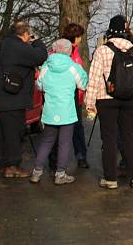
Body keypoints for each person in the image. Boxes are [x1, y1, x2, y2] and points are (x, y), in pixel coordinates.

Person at [85, 15, 133, 189]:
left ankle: (110, 179)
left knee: (109, 139)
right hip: (128, 100)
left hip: (107, 100)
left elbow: (94, 79)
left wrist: (90, 104)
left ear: (110, 30)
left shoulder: (102, 50)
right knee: (128, 138)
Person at [0, 20, 48, 178]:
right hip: (13, 97)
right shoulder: (20, 47)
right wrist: (38, 42)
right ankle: (12, 166)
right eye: (29, 35)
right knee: (13, 133)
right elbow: (40, 57)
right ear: (25, 34)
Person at [31, 39, 88, 185]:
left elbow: (39, 86)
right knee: (64, 143)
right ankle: (60, 174)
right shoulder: (73, 67)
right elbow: (83, 84)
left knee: (47, 141)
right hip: (67, 111)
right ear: (69, 51)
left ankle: (37, 172)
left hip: (50, 110)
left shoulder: (46, 66)